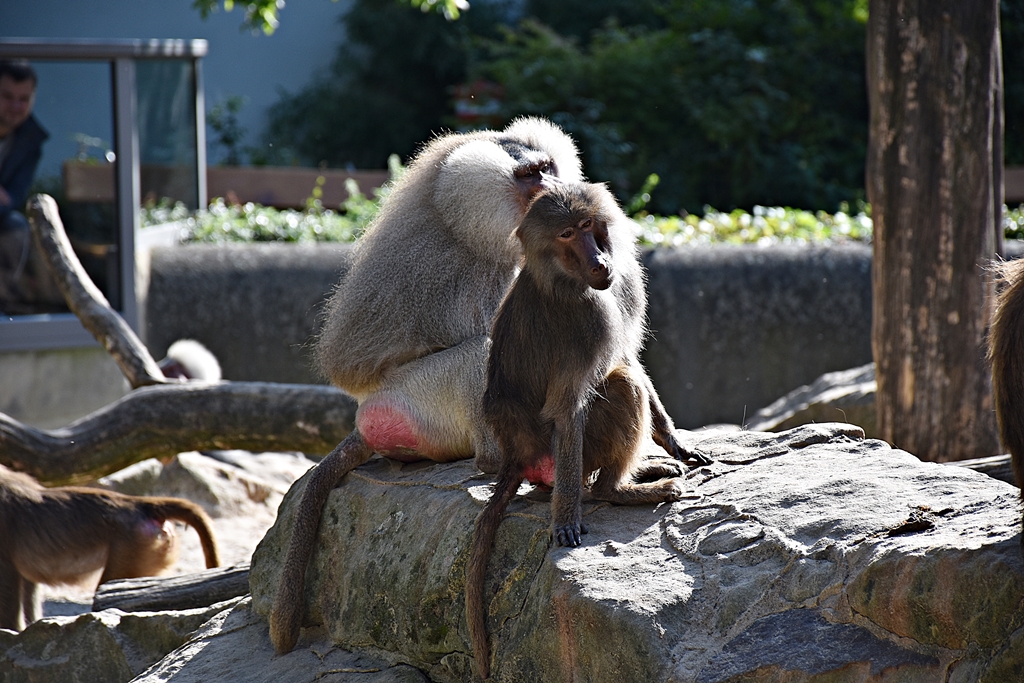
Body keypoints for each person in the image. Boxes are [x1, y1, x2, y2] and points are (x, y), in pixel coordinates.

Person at [0, 60, 58, 314]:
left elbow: (14, 197)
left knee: (17, 227)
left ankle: (5, 304)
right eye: (7, 97)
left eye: (24, 99)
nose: (16, 106)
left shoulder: (30, 140)